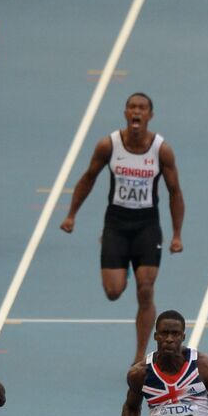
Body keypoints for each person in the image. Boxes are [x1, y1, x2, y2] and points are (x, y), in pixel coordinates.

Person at [61, 93, 185, 365]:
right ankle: (126, 265)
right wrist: (71, 214)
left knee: (146, 289)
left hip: (147, 226)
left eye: (142, 108)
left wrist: (177, 234)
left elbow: (175, 191)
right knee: (114, 292)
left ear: (150, 115)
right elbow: (88, 178)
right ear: (126, 113)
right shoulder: (109, 145)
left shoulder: (160, 150)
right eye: (132, 107)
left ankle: (140, 355)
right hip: (116, 225)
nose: (136, 112)